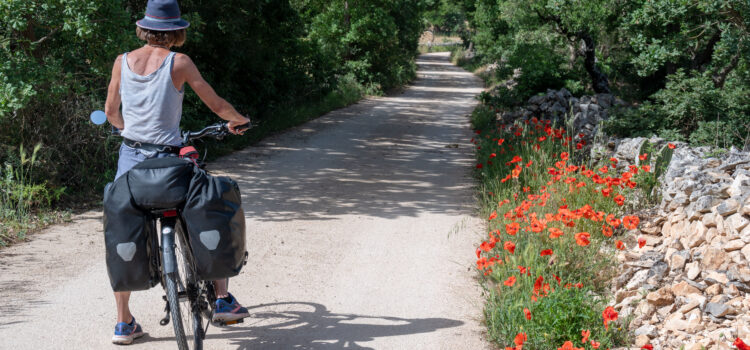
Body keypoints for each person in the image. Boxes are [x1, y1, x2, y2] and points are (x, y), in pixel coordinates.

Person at [104, 0, 251, 345]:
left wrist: (132, 134)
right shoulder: (179, 62)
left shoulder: (121, 62)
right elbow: (215, 104)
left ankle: (124, 323)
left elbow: (111, 112)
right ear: (176, 31)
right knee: (206, 207)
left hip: (132, 162)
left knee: (121, 225)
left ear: (144, 27)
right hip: (170, 162)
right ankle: (222, 299)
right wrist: (238, 120)